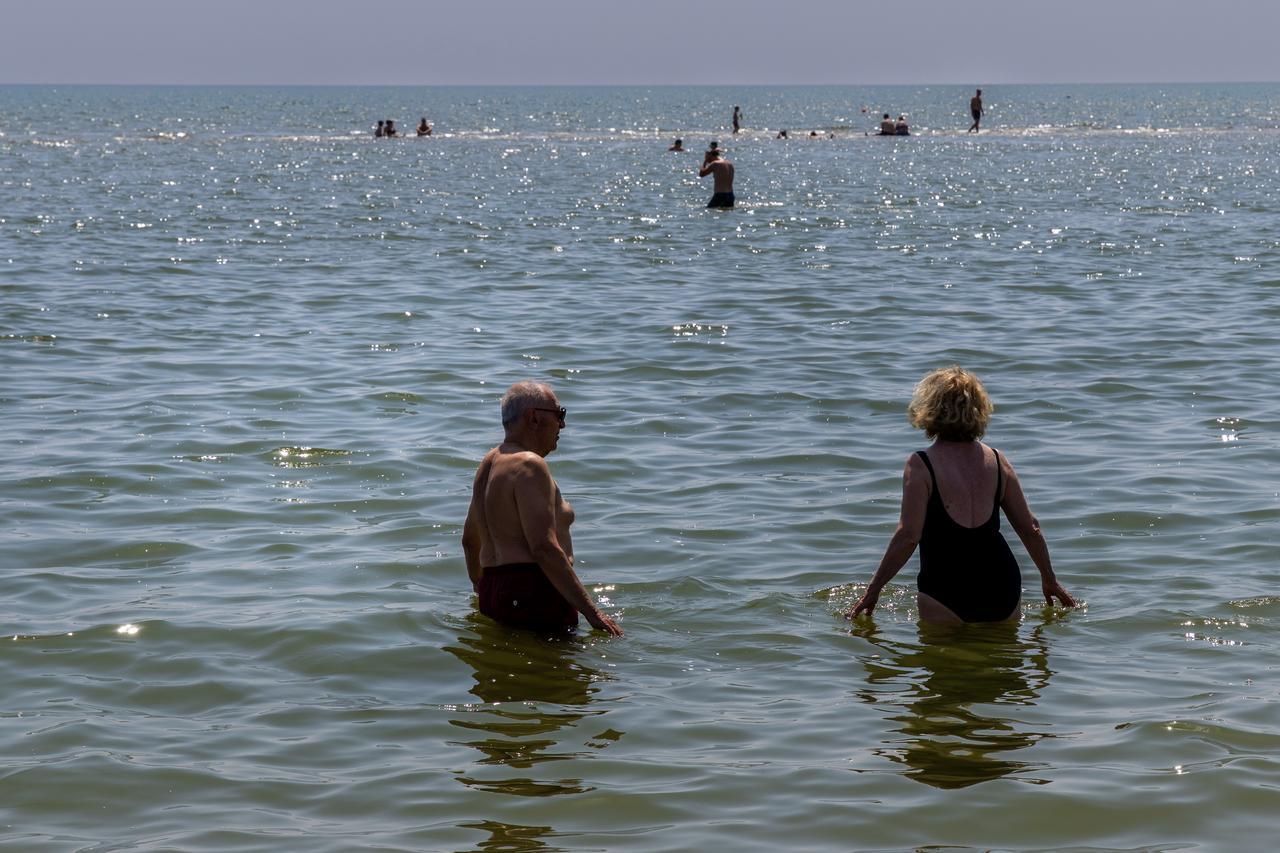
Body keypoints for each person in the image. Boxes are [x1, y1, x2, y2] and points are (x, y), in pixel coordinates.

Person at [847, 367, 1075, 623]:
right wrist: (1049, 578)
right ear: (979, 409)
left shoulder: (921, 464)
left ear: (929, 408)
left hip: (946, 587)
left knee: (945, 661)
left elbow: (908, 537)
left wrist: (873, 590)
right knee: (1003, 658)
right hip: (1002, 586)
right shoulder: (998, 461)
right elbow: (1030, 528)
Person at [462, 381, 623, 635]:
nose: (563, 425)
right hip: (535, 592)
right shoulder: (529, 465)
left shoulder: (488, 464)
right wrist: (593, 613)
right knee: (566, 673)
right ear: (533, 418)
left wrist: (481, 587)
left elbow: (470, 541)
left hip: (494, 592)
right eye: (559, 415)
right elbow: (544, 548)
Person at [699, 144, 735, 208]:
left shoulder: (715, 164)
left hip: (720, 195)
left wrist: (705, 162)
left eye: (707, 158)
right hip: (731, 195)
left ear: (710, 156)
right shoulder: (729, 164)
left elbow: (701, 174)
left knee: (708, 211)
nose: (708, 162)